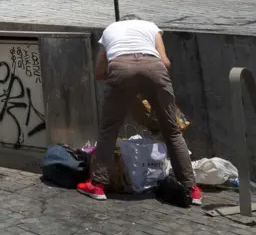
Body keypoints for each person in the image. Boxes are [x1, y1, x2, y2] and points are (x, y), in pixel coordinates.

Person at [77, 16, 201, 205]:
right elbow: (165, 62)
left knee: (109, 130)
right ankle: (191, 189)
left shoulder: (109, 29)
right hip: (154, 68)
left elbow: (99, 72)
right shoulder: (151, 27)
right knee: (172, 131)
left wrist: (127, 82)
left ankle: (98, 185)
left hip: (120, 68)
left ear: (121, 22)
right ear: (138, 20)